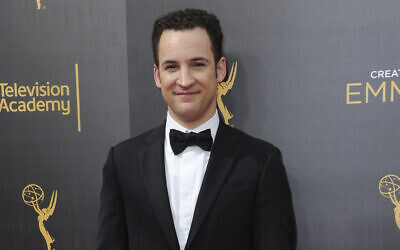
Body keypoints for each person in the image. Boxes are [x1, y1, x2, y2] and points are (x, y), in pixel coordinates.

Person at [97, 8, 296, 250]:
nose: (185, 80)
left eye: (197, 64)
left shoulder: (261, 162)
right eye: (171, 67)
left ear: (219, 70)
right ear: (157, 75)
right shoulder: (122, 162)